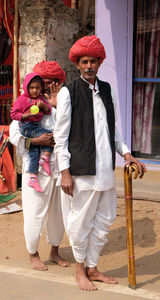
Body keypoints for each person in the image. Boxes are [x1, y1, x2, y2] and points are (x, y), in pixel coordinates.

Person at [54, 35, 146, 291]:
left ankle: (93, 268)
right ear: (78, 64)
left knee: (105, 219)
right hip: (81, 170)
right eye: (84, 61)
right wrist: (65, 172)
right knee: (81, 221)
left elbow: (113, 130)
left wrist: (126, 153)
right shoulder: (67, 92)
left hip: (105, 170)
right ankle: (80, 270)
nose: (89, 66)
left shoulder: (107, 90)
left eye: (93, 61)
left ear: (99, 62)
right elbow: (60, 137)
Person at [9, 60, 69, 271]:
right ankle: (33, 253)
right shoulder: (25, 102)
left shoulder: (61, 104)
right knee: (34, 212)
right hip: (34, 171)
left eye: (51, 82)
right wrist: (36, 141)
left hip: (57, 168)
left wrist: (56, 106)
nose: (46, 86)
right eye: (43, 82)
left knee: (57, 213)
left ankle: (54, 251)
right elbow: (13, 135)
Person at [11, 73, 53, 193]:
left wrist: (44, 106)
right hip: (27, 127)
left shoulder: (41, 99)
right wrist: (27, 115)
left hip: (34, 127)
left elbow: (48, 111)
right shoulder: (21, 99)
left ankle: (33, 178)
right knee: (49, 135)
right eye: (32, 88)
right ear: (26, 87)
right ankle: (45, 158)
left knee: (33, 153)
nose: (35, 90)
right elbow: (14, 115)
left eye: (38, 88)